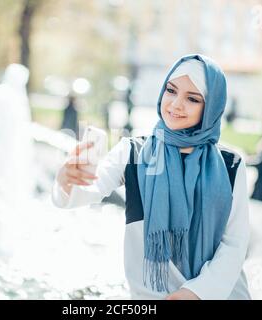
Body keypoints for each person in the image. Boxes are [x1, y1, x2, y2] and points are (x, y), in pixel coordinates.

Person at [52, 54, 251, 300]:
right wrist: (68, 180)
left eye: (192, 98)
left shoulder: (231, 164)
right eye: (171, 90)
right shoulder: (133, 152)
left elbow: (235, 243)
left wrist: (196, 293)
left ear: (211, 107)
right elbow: (90, 189)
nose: (176, 104)